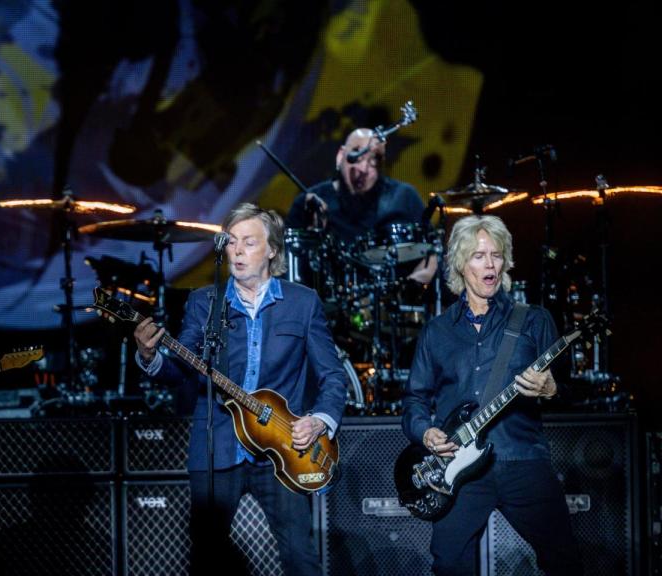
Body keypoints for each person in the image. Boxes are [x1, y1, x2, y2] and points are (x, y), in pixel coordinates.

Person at [133, 203, 347, 575]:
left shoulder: (302, 302)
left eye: (249, 242)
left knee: (300, 557)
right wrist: (148, 355)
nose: (237, 251)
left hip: (282, 448)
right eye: (231, 242)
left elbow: (333, 376)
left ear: (272, 250)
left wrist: (319, 420)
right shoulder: (205, 302)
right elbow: (181, 370)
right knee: (207, 558)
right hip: (217, 444)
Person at [401, 214, 581, 575]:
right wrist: (425, 431)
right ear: (461, 264)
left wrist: (552, 388)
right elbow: (414, 401)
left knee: (565, 561)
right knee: (450, 565)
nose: (490, 265)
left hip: (522, 458)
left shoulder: (533, 320)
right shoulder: (437, 332)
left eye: (496, 255)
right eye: (479, 256)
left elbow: (571, 389)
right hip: (459, 472)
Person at [286, 127, 436, 284]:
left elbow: (433, 250)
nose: (363, 169)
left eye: (374, 159)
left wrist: (422, 277)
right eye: (357, 155)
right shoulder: (309, 204)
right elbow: (282, 263)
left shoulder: (404, 197)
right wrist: (313, 236)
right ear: (340, 156)